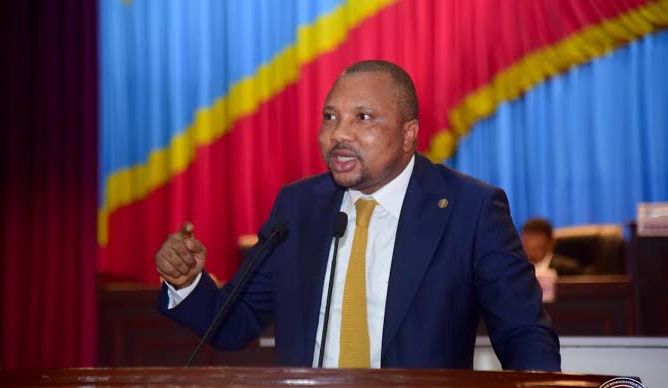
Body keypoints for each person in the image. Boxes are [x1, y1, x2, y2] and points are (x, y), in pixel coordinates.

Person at [155, 60, 560, 371]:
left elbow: (523, 334)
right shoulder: (297, 207)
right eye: (330, 117)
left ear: (408, 134)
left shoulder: (470, 208)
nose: (338, 134)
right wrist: (186, 282)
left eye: (362, 118)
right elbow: (233, 323)